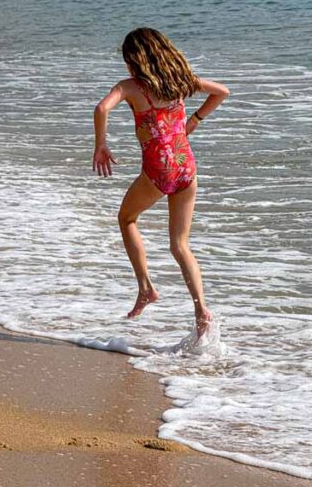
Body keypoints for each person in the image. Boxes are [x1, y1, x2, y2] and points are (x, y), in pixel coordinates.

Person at [92, 27, 230, 337]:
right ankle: (201, 311)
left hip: (159, 171)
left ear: (135, 59)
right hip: (186, 168)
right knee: (181, 245)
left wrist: (100, 145)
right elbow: (222, 91)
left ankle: (146, 288)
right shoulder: (181, 82)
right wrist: (195, 120)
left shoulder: (130, 87)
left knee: (127, 218)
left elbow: (102, 108)